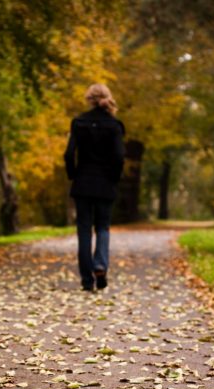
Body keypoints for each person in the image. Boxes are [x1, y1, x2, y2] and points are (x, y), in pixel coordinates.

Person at [63, 83, 125, 292]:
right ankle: (100, 265)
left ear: (89, 99)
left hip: (83, 183)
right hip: (105, 183)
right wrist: (114, 178)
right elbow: (119, 156)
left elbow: (69, 154)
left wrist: (73, 175)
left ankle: (87, 280)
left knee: (84, 231)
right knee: (103, 227)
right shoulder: (114, 126)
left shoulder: (79, 123)